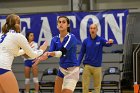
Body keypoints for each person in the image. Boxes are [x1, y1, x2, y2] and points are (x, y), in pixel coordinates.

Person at [0, 14, 48, 93]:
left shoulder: (1, 35)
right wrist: (41, 50)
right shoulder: (18, 36)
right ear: (18, 24)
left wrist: (25, 49)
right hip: (3, 68)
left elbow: (15, 53)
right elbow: (32, 55)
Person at [33, 16, 80, 93]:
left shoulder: (71, 37)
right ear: (57, 25)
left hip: (72, 71)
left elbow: (61, 52)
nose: (61, 24)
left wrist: (49, 53)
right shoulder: (54, 39)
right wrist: (40, 58)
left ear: (68, 25)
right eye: (59, 22)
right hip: (62, 70)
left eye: (64, 22)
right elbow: (50, 54)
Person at [78, 23, 114, 93]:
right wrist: (78, 63)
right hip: (87, 66)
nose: (92, 29)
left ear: (97, 30)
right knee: (85, 86)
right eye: (91, 28)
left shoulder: (100, 40)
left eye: (94, 28)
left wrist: (111, 42)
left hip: (97, 67)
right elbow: (82, 53)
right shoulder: (85, 41)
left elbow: (108, 44)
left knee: (97, 87)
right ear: (89, 30)